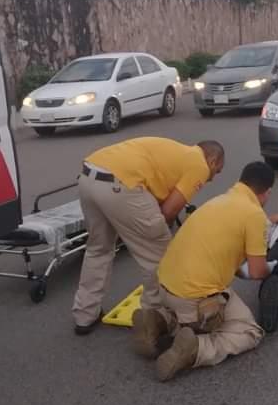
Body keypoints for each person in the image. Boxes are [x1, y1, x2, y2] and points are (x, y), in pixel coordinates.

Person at [132, 162, 277, 382]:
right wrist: (270, 269)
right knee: (249, 332)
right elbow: (258, 272)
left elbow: (223, 254)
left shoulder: (218, 201)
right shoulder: (254, 214)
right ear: (267, 192)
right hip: (192, 298)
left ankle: (159, 320)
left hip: (164, 286)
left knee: (195, 299)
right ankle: (197, 349)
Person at [72, 137, 224, 334]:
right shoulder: (200, 165)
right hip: (121, 185)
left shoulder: (177, 151)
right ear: (212, 161)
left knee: (98, 250)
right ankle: (154, 319)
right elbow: (169, 211)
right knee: (160, 257)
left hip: (89, 176)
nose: (212, 178)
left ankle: (85, 315)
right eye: (217, 171)